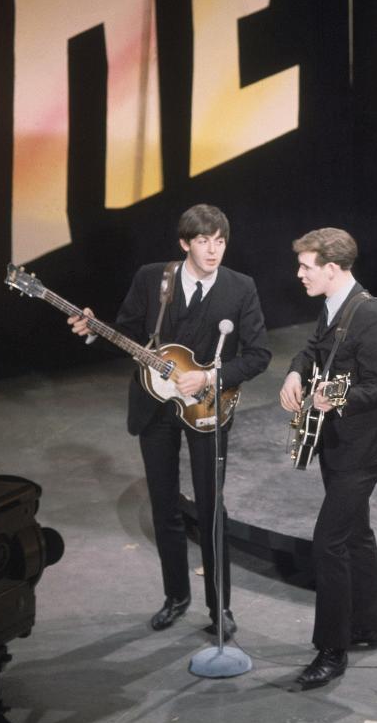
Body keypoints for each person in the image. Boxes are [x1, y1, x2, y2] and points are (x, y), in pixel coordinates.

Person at [69, 204, 271, 639]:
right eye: (203, 241)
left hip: (208, 410)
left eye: (220, 241)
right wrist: (91, 330)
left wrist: (213, 375)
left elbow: (258, 356)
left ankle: (220, 610)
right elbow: (124, 336)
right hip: (155, 407)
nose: (213, 250)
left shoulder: (240, 288)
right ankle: (176, 596)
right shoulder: (151, 279)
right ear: (184, 243)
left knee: (211, 509)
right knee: (164, 509)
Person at [279, 228, 377, 689]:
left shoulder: (371, 317)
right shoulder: (334, 305)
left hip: (365, 446)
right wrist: (297, 372)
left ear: (332, 269)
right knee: (356, 533)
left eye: (307, 267)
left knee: (328, 541)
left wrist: (333, 401)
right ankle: (368, 626)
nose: (299, 274)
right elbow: (315, 350)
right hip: (337, 440)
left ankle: (331, 650)